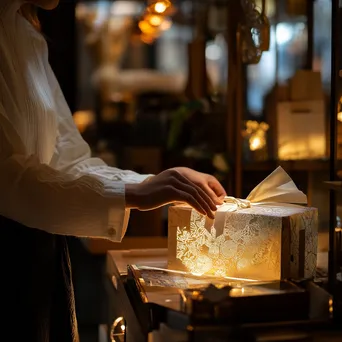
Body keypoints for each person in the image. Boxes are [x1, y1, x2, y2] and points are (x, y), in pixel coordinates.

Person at [0, 0, 226, 341]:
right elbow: (8, 178)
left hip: (42, 254)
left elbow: (69, 158)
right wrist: (136, 192)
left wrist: (152, 183)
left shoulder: (28, 36)